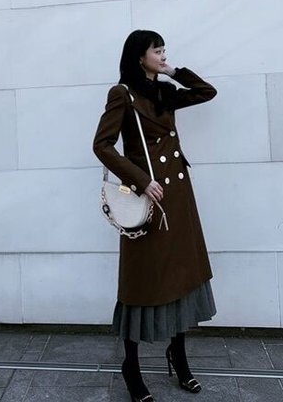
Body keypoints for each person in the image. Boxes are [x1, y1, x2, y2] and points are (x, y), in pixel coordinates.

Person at [92, 29, 218, 401]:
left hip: (177, 196)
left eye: (164, 50)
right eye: (156, 51)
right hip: (148, 199)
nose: (163, 55)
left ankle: (178, 355)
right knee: (142, 280)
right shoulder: (122, 94)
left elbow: (206, 92)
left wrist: (173, 71)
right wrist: (141, 180)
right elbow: (102, 145)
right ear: (139, 56)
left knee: (181, 274)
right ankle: (131, 365)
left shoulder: (164, 91)